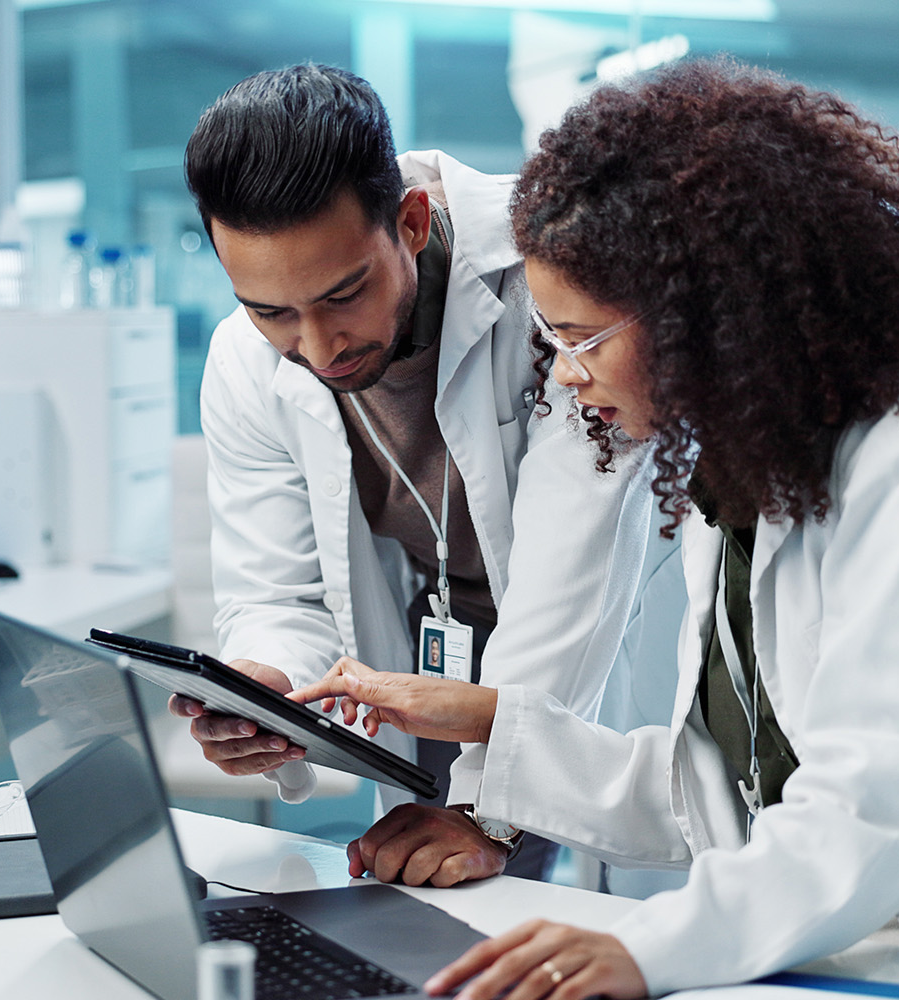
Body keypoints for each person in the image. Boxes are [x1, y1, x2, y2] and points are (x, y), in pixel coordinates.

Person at [293, 58, 899, 998]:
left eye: (584, 340)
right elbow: (717, 798)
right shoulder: (732, 476)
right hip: (856, 957)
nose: (566, 377)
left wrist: (647, 951)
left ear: (704, 314)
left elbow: (870, 809)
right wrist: (493, 723)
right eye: (553, 343)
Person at [174, 63, 644, 883]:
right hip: (435, 661)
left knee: (633, 900)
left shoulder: (552, 274)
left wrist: (485, 809)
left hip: (601, 642)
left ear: (414, 221)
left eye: (344, 294)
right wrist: (267, 685)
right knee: (450, 908)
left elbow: (581, 566)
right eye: (271, 310)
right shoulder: (242, 363)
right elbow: (275, 591)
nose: (318, 349)